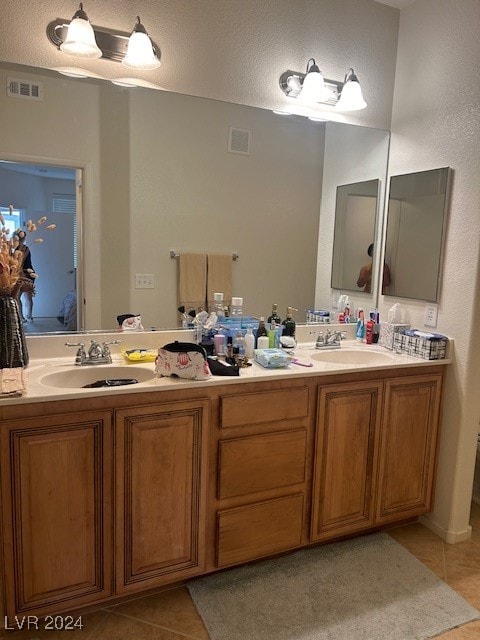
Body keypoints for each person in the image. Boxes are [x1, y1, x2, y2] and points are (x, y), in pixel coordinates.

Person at [14, 230, 35, 322]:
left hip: (26, 274)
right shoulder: (15, 249)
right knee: (21, 296)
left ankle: (26, 316)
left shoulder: (24, 249)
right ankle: (25, 316)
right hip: (20, 274)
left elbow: (21, 263)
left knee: (24, 296)